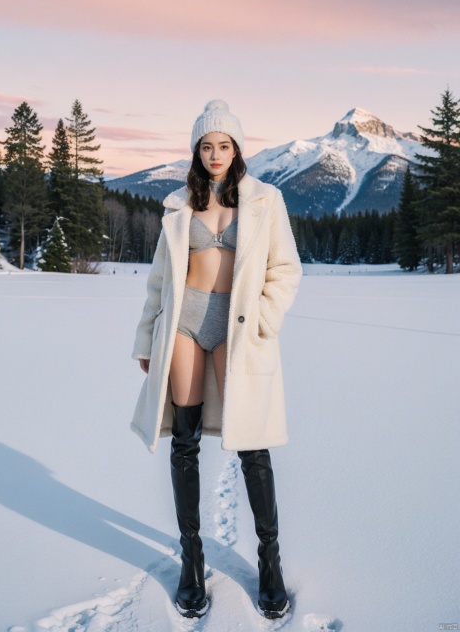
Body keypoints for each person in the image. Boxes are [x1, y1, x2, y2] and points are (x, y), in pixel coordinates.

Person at [131, 99, 302, 619]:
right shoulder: (179, 204)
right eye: (206, 146)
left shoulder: (265, 201)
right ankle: (192, 561)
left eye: (223, 145)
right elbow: (161, 279)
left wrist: (264, 322)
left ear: (237, 149)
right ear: (196, 151)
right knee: (184, 443)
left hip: (236, 326)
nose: (215, 154)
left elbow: (286, 270)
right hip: (184, 322)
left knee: (251, 445)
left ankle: (269, 563)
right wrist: (145, 339)